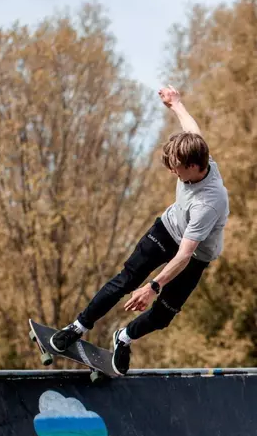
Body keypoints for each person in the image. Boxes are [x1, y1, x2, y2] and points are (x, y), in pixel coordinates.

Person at [49, 85, 230, 375]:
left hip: (193, 256)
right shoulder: (198, 151)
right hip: (167, 229)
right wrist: (176, 104)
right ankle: (78, 327)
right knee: (125, 278)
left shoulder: (209, 203)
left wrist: (153, 287)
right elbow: (191, 128)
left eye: (178, 169)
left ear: (196, 166)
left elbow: (183, 257)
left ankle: (124, 338)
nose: (174, 173)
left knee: (162, 315)